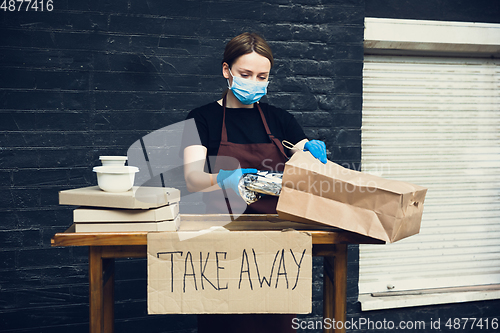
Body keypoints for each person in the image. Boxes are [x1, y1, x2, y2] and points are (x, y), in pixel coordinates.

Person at [183, 32, 328, 333]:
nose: (254, 82)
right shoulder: (201, 118)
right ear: (227, 71)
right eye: (245, 74)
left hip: (278, 244)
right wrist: (226, 177)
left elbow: (308, 173)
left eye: (262, 76)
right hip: (221, 243)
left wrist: (313, 158)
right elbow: (193, 178)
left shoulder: (280, 120)